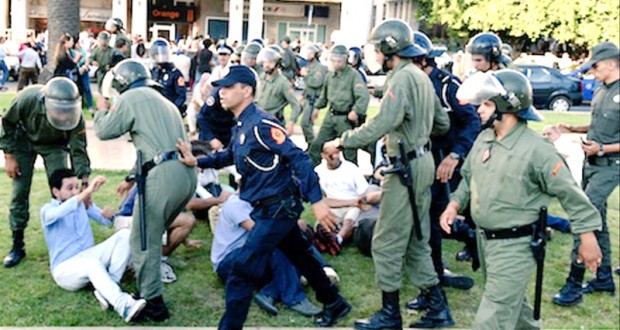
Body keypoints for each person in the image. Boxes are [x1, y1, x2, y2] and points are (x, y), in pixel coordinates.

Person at [176, 65, 351, 329]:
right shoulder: (242, 123)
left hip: (277, 209)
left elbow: (299, 157)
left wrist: (316, 200)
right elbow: (231, 155)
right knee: (301, 256)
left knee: (241, 273)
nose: (220, 93)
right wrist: (197, 163)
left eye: (227, 87)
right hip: (266, 207)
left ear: (246, 90)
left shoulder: (262, 123)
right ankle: (335, 303)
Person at [440, 69, 603, 329]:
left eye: (487, 103)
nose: (479, 110)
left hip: (515, 246)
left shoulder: (537, 150)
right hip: (485, 241)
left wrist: (587, 237)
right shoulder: (484, 138)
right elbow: (469, 178)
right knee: (516, 314)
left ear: (508, 106)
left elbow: (571, 195)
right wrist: (454, 204)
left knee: (491, 318)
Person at [324, 19, 453, 329]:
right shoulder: (422, 78)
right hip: (422, 164)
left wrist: (343, 140)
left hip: (406, 168)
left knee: (385, 242)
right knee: (416, 238)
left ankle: (390, 314)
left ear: (387, 48)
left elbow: (382, 122)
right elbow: (442, 125)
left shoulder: (400, 78)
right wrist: (417, 132)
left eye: (377, 48)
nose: (375, 53)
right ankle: (437, 309)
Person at [93, 59, 197, 322]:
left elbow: (105, 131)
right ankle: (150, 280)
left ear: (122, 82)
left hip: (162, 178)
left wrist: (101, 109)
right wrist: (131, 177)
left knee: (142, 240)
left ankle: (153, 302)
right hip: (184, 176)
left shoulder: (132, 98)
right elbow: (155, 146)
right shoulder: (166, 101)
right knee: (152, 233)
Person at [407, 31, 480, 309]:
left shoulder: (448, 86)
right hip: (420, 162)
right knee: (427, 224)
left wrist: (455, 155)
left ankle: (434, 284)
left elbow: (471, 122)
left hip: (442, 163)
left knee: (429, 223)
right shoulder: (412, 83)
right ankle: (435, 276)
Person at [553, 42, 620, 307]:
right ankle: (603, 278)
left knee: (584, 215)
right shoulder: (603, 91)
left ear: (612, 63)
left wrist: (603, 148)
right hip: (593, 163)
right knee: (597, 218)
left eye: (596, 66)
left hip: (612, 165)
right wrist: (573, 127)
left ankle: (573, 283)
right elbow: (600, 124)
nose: (592, 71)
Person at [1, 77, 90, 268]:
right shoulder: (27, 98)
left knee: (64, 192)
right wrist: (9, 156)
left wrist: (84, 182)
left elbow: (78, 149)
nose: (62, 115)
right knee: (19, 192)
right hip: (23, 143)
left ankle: (68, 244)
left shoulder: (75, 115)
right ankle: (18, 245)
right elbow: (7, 123)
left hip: (54, 146)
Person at [41, 169, 146, 322]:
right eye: (69, 188)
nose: (75, 191)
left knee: (124, 235)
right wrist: (88, 191)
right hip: (64, 270)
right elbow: (63, 210)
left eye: (76, 187)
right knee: (93, 263)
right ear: (55, 191)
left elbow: (106, 221)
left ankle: (109, 286)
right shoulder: (47, 211)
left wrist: (109, 216)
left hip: (87, 257)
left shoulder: (82, 204)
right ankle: (123, 305)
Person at [212, 193, 322, 317]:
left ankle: (269, 293)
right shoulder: (237, 204)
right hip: (228, 264)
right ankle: (294, 298)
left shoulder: (261, 201)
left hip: (253, 261)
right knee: (275, 244)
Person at [309, 44, 370, 166]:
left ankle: (352, 179)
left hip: (345, 118)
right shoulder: (330, 76)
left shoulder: (354, 75)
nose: (336, 63)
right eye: (334, 60)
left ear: (346, 60)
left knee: (349, 151)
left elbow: (363, 96)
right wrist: (316, 108)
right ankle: (310, 175)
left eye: (339, 61)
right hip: (331, 116)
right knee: (317, 145)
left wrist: (356, 111)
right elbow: (324, 96)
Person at [314, 142, 369, 249]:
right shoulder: (318, 171)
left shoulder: (351, 168)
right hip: (336, 206)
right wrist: (351, 202)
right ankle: (330, 239)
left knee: (350, 219)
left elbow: (364, 193)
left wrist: (355, 203)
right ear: (323, 156)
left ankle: (338, 239)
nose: (334, 156)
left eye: (336, 153)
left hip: (354, 207)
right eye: (329, 154)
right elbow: (322, 200)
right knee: (321, 224)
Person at [255, 46, 302, 134]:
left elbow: (296, 105)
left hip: (274, 123)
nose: (266, 65)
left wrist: (291, 122)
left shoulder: (283, 83)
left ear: (277, 63)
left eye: (270, 62)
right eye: (265, 61)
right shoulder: (261, 78)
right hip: (258, 119)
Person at [296, 44, 327, 145]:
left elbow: (315, 83)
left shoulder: (320, 68)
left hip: (314, 99)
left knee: (305, 123)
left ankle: (312, 144)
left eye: (310, 52)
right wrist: (303, 94)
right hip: (307, 98)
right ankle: (311, 144)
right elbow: (308, 86)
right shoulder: (309, 67)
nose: (308, 54)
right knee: (306, 123)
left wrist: (306, 75)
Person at [150, 38, 188, 117]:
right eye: (157, 54)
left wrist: (172, 109)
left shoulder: (175, 73)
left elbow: (181, 95)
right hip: (153, 111)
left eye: (163, 53)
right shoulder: (152, 72)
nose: (160, 56)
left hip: (169, 111)